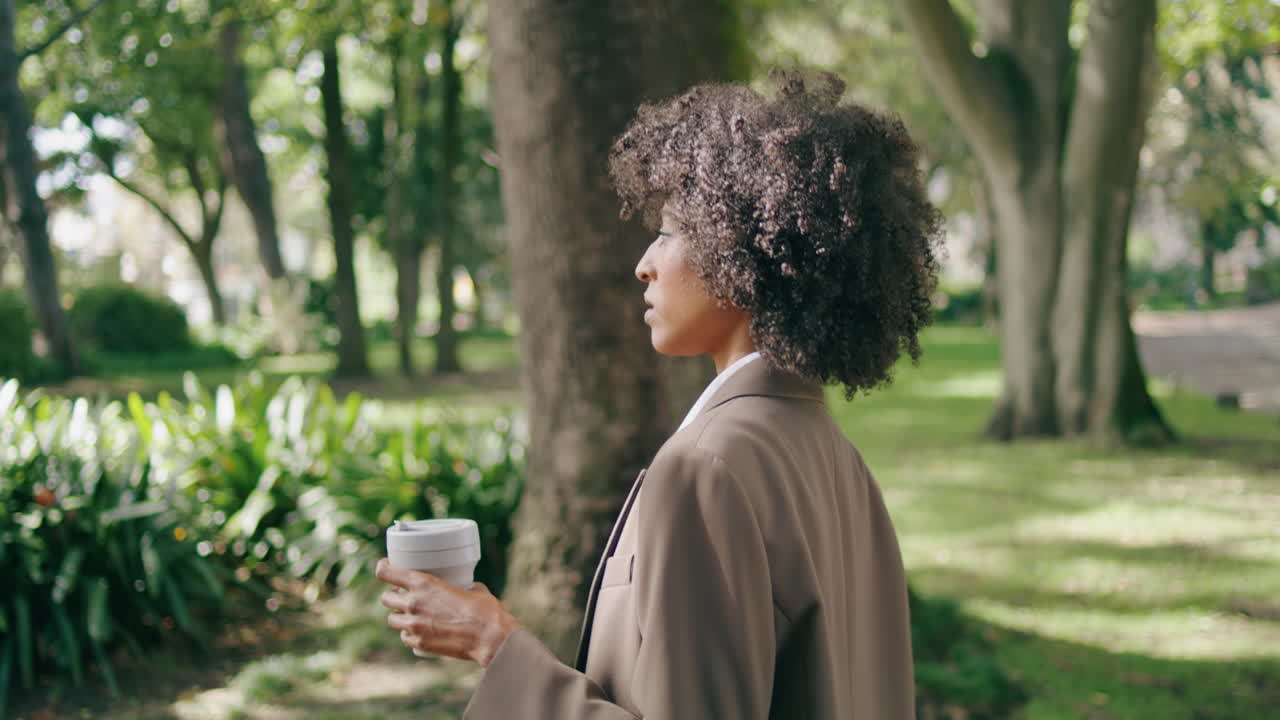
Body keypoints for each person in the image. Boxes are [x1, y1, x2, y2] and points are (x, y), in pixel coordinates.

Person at [375, 70, 942, 719]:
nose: (644, 263)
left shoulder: (707, 468)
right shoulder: (836, 458)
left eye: (669, 232)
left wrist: (493, 643)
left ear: (744, 253)